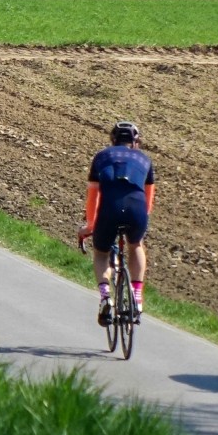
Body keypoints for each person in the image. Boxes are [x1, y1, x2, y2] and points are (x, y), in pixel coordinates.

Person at [79, 120, 156, 322]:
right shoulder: (145, 160)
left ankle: (105, 296)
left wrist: (90, 225)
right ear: (136, 141)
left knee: (101, 253)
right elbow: (148, 203)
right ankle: (137, 295)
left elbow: (93, 197)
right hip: (136, 209)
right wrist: (139, 225)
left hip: (110, 209)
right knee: (136, 244)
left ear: (113, 140)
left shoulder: (102, 157)